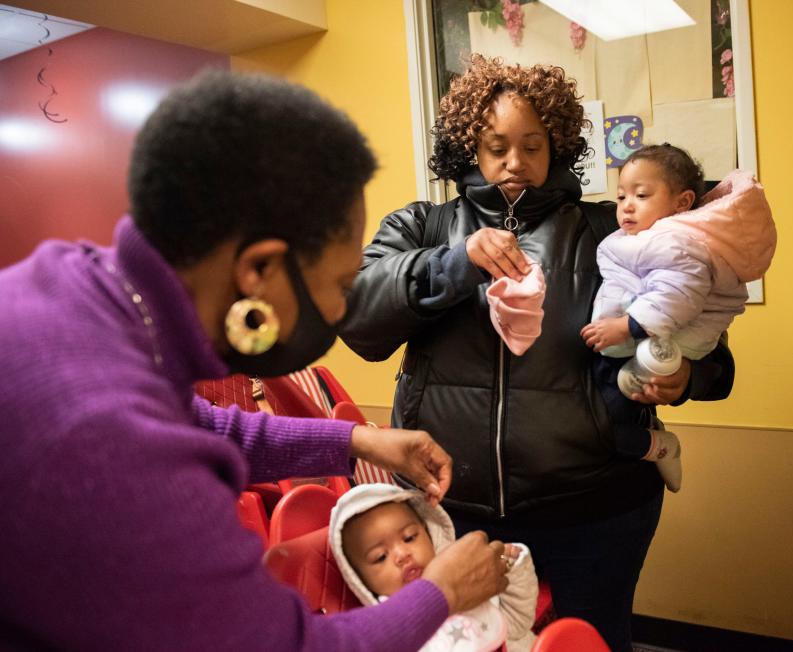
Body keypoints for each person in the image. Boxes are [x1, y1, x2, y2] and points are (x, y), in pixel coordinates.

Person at [0, 70, 511, 652]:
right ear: (259, 271)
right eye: (340, 285)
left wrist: (357, 442)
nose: (343, 307)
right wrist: (440, 592)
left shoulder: (87, 288)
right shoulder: (97, 429)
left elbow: (199, 425)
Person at [338, 54, 736, 652]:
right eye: (496, 145)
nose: (515, 162)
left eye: (533, 144)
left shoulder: (616, 232)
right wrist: (455, 261)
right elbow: (360, 324)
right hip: (453, 508)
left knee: (590, 643)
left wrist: (688, 376)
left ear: (557, 145)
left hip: (598, 507)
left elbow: (712, 350)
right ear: (468, 147)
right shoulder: (422, 226)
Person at [580, 145, 776, 493]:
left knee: (600, 426)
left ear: (682, 202)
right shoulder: (642, 238)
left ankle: (658, 447)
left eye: (640, 195)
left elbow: (677, 294)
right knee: (600, 416)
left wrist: (628, 326)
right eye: (622, 194)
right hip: (632, 344)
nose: (625, 204)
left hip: (650, 342)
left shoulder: (676, 241)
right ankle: (655, 444)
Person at [330, 483, 538, 652]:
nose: (402, 555)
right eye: (380, 557)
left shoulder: (466, 578)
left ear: (430, 533)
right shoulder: (386, 634)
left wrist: (512, 568)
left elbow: (518, 624)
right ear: (359, 580)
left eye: (410, 537)